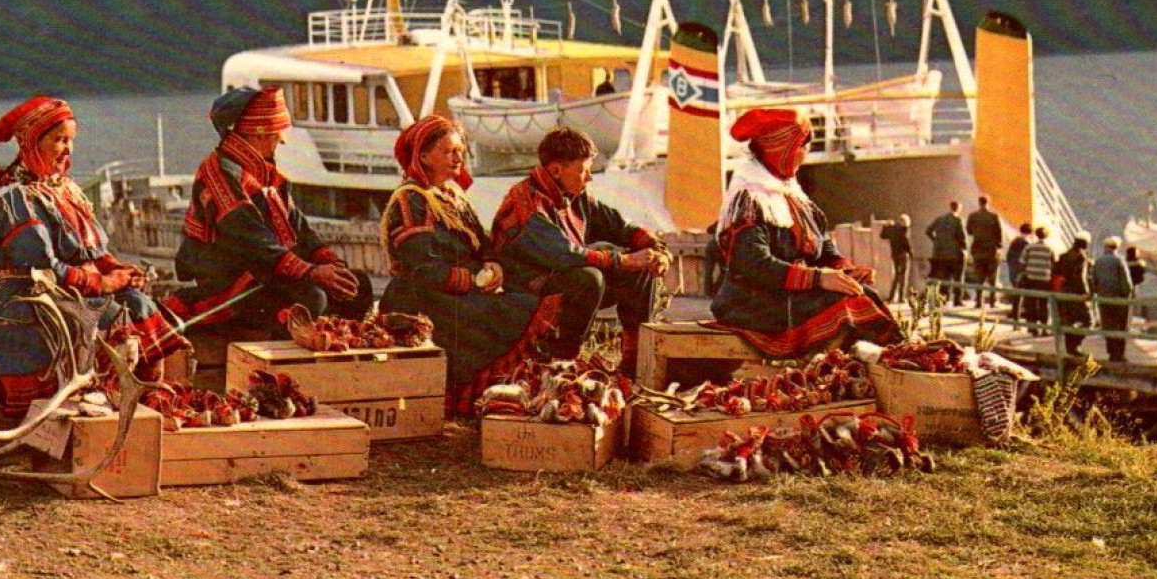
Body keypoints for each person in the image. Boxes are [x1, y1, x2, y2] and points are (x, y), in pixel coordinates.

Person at [0, 97, 188, 425]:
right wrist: (101, 283)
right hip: (29, 296)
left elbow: (92, 252)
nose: (68, 150)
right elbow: (42, 267)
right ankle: (91, 409)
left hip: (71, 288)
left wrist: (116, 270)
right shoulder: (17, 197)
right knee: (111, 320)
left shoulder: (65, 190)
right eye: (59, 140)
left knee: (140, 304)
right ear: (32, 142)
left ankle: (141, 404)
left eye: (71, 140)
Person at [379, 115, 563, 415]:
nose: (458, 157)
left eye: (460, 150)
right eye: (448, 151)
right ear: (423, 156)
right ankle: (464, 400)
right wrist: (473, 281)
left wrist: (492, 265)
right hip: (425, 296)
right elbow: (422, 268)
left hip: (456, 289)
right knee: (513, 308)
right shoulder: (411, 200)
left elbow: (482, 242)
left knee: (521, 302)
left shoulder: (451, 195)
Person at [170, 86, 373, 337]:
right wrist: (311, 272)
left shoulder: (264, 172)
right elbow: (251, 240)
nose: (282, 141)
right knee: (311, 299)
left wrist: (330, 263)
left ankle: (335, 353)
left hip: (269, 272)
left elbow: (298, 227)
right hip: (233, 281)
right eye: (277, 134)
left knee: (358, 285)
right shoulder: (218, 173)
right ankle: (284, 368)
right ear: (258, 133)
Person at [708, 109, 901, 357]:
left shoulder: (791, 195)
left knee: (863, 293)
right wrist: (819, 278)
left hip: (789, 294)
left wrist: (843, 269)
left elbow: (822, 244)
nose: (806, 152)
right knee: (842, 305)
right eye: (802, 145)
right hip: (753, 303)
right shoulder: (749, 199)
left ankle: (893, 362)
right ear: (781, 150)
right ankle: (831, 374)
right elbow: (753, 263)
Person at [490, 126, 668, 378]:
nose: (588, 178)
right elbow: (563, 254)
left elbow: (619, 226)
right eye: (583, 171)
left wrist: (655, 249)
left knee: (640, 270)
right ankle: (563, 364)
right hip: (528, 289)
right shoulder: (525, 202)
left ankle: (633, 361)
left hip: (563, 280)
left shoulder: (575, 193)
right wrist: (625, 260)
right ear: (555, 171)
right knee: (589, 278)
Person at [1091, 236, 1135, 362]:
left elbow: (1094, 280)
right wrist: (1128, 295)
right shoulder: (1119, 260)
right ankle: (1119, 354)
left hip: (1103, 298)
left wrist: (1096, 293)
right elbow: (1126, 281)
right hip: (1119, 299)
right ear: (1117, 247)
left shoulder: (1098, 261)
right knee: (1120, 326)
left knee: (1108, 325)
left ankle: (1111, 352)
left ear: (1106, 247)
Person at [1053, 233, 1093, 356]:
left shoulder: (1063, 256)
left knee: (1068, 320)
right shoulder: (1081, 257)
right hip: (1077, 293)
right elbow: (1080, 277)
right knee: (1088, 320)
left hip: (1064, 291)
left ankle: (1069, 347)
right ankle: (1075, 345)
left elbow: (1056, 272)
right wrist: (1086, 292)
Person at [926, 200, 968, 306]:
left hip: (939, 253)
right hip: (954, 253)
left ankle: (944, 298)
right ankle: (957, 300)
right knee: (958, 277)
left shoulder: (939, 219)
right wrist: (964, 248)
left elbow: (928, 231)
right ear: (958, 209)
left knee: (944, 277)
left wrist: (935, 240)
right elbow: (962, 237)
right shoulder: (958, 220)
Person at [965, 195, 1004, 308]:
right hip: (991, 250)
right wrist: (998, 246)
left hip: (978, 249)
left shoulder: (972, 216)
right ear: (988, 202)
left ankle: (978, 301)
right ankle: (993, 301)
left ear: (979, 203)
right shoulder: (994, 216)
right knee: (993, 277)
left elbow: (969, 231)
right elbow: (999, 232)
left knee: (979, 277)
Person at [1017, 227, 1056, 334]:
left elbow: (1022, 262)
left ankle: (1032, 328)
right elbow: (1053, 265)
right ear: (1046, 236)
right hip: (1044, 280)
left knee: (1031, 304)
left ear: (1036, 235)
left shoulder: (1029, 247)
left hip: (1031, 279)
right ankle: (1044, 328)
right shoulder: (1049, 249)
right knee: (1043, 304)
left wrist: (1022, 274)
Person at [879, 214, 914, 303]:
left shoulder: (892, 228)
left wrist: (885, 226)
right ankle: (901, 298)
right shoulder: (904, 229)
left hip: (895, 255)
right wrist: (911, 253)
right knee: (903, 276)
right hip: (903, 255)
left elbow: (882, 236)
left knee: (896, 276)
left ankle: (891, 297)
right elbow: (906, 242)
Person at [1005, 222, 1032, 323]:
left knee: (1016, 292)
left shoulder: (1014, 241)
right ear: (1030, 232)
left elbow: (1008, 256)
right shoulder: (1027, 243)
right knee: (1022, 294)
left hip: (1013, 270)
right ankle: (1018, 315)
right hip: (1022, 271)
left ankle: (1015, 312)